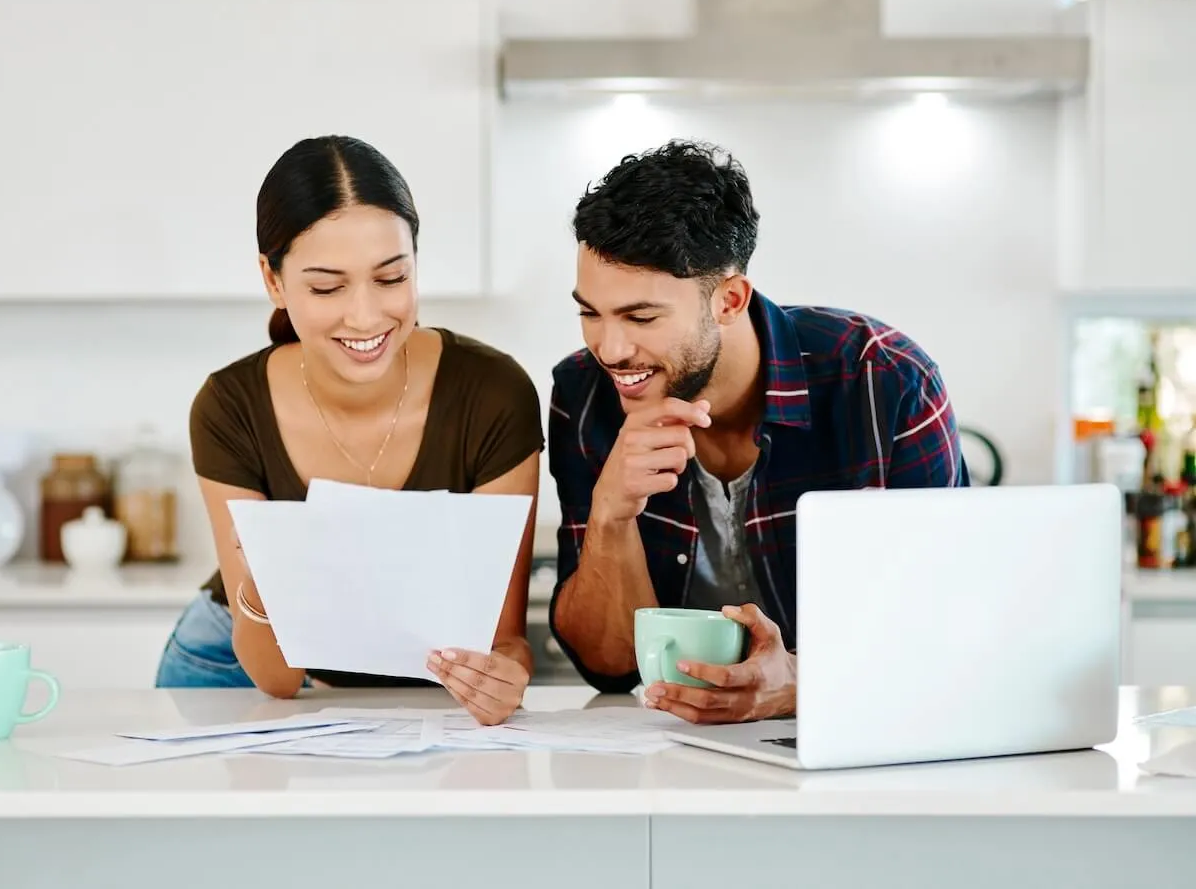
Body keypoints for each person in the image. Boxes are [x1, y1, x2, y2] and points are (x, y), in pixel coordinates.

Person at [546, 140, 969, 724]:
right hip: (667, 751)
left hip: (859, 741)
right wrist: (611, 513)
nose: (611, 349)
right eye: (591, 313)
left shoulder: (882, 380)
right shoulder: (583, 394)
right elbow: (610, 665)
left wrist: (802, 685)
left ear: (729, 299)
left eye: (641, 317)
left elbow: (952, 633)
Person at [155, 135, 544, 726]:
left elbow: (501, 637)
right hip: (233, 669)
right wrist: (268, 579)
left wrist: (502, 677)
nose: (365, 316)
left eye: (391, 278)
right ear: (274, 280)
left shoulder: (493, 394)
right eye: (327, 287)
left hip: (428, 680)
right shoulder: (229, 406)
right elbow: (278, 680)